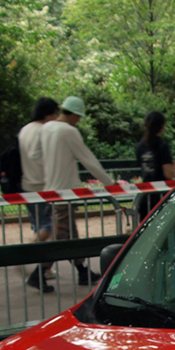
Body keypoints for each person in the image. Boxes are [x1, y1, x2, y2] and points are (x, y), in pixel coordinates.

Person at [40, 95, 114, 285]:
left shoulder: (46, 128)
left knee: (70, 234)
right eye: (78, 117)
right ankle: (39, 272)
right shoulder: (68, 131)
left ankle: (83, 271)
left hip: (51, 190)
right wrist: (109, 183)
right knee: (62, 235)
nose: (79, 120)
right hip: (65, 192)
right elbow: (88, 160)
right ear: (73, 115)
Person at [18, 97, 60, 291]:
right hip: (41, 186)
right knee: (47, 227)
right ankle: (25, 255)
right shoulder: (43, 131)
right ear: (49, 114)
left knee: (38, 225)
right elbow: (43, 158)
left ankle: (41, 266)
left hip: (27, 184)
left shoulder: (25, 129)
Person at [134, 110, 175, 222]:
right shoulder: (162, 146)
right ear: (162, 127)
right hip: (161, 198)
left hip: (145, 198)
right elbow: (168, 173)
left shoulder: (140, 147)